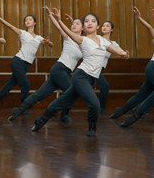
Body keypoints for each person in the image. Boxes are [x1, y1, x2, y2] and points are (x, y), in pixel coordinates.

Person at [31, 9, 128, 137]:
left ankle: (40, 121)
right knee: (95, 104)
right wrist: (59, 20)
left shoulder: (103, 40)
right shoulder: (82, 39)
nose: (90, 23)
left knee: (63, 101)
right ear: (84, 26)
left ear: (97, 26)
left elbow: (118, 51)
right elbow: (68, 32)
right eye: (86, 21)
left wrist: (124, 54)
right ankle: (92, 127)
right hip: (81, 77)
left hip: (91, 78)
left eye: (93, 21)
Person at [8, 6, 82, 122]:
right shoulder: (68, 37)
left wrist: (73, 21)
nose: (73, 25)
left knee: (40, 94)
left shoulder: (84, 42)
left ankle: (18, 111)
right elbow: (59, 27)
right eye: (73, 24)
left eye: (77, 24)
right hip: (60, 69)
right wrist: (50, 15)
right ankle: (62, 115)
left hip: (63, 72)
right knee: (71, 92)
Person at [110, 7, 154, 121]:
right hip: (153, 67)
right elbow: (149, 27)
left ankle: (121, 111)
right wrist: (139, 18)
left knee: (141, 95)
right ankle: (148, 112)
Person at [0, 10, 52, 112]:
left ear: (34, 23)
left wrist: (48, 42)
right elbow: (10, 26)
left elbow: (51, 45)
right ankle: (23, 108)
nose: (27, 21)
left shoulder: (38, 38)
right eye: (26, 20)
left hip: (26, 65)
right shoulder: (23, 33)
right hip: (18, 61)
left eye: (30, 19)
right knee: (26, 84)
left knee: (9, 85)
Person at [94, 20, 117, 113]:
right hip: (93, 68)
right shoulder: (97, 38)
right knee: (105, 86)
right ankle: (101, 108)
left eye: (107, 26)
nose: (104, 27)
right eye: (103, 26)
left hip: (100, 70)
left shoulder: (113, 44)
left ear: (112, 29)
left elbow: (121, 52)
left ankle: (99, 108)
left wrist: (125, 55)